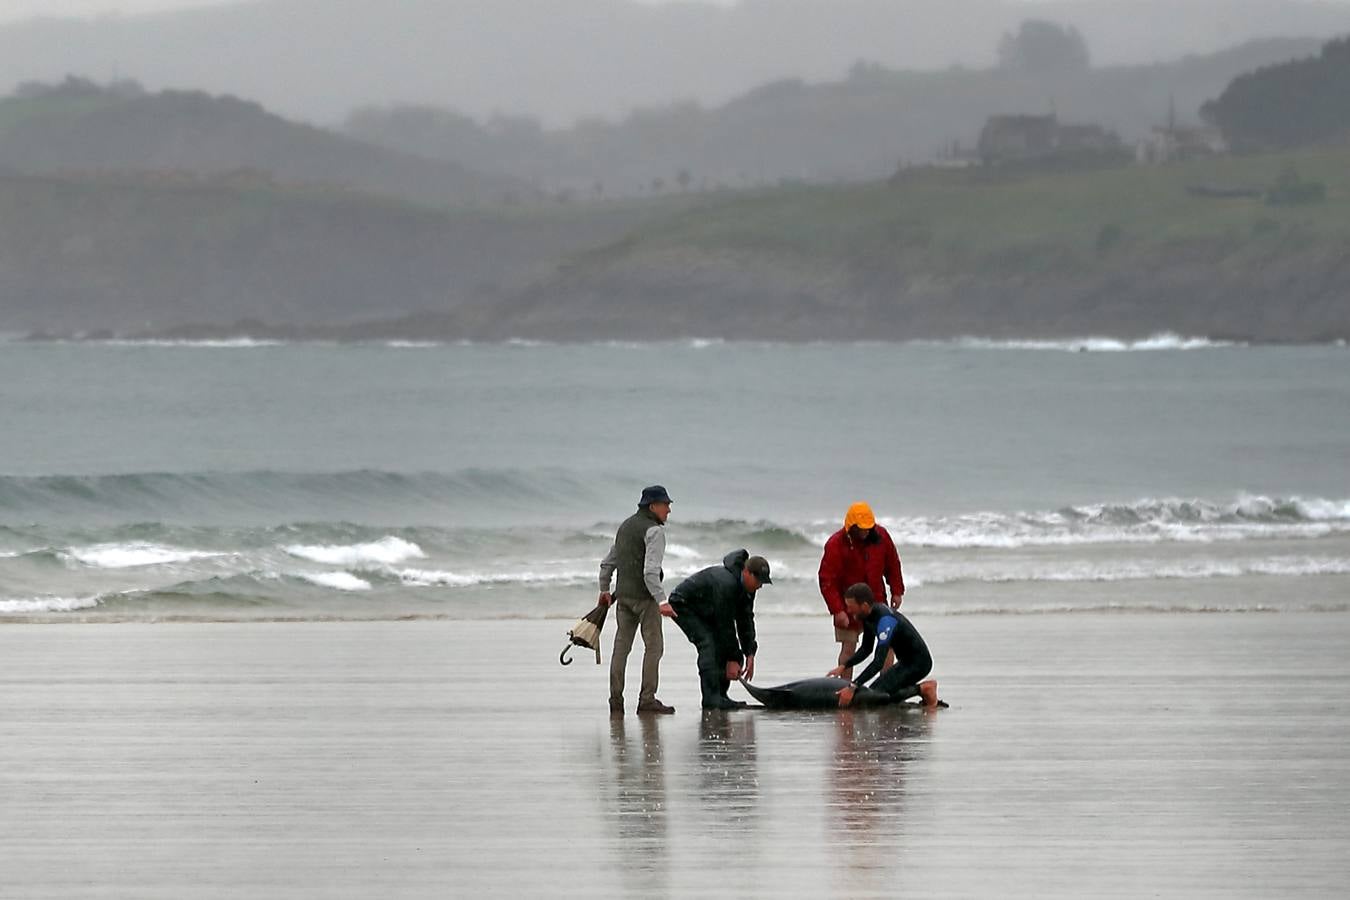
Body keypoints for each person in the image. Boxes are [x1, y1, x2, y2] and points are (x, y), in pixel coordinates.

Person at [599, 485, 677, 715]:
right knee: (654, 647)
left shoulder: (625, 527)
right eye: (666, 505)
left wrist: (605, 589)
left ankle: (615, 700)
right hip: (645, 599)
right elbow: (650, 572)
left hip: (623, 598)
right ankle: (647, 699)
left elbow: (607, 564)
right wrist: (662, 601)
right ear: (653, 507)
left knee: (621, 648)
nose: (669, 510)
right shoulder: (654, 531)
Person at [668, 549, 771, 710]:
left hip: (708, 610)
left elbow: (745, 620)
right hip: (683, 604)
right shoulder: (727, 584)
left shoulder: (748, 590)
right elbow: (725, 626)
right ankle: (711, 698)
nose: (760, 586)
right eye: (758, 581)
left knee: (721, 644)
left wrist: (749, 652)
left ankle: (721, 696)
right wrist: (733, 658)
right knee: (708, 643)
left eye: (762, 583)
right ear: (746, 572)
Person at [818, 501, 905, 679]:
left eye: (868, 527)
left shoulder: (881, 536)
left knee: (887, 646)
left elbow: (893, 564)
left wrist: (897, 590)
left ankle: (886, 685)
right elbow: (827, 580)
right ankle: (844, 687)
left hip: (877, 601)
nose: (866, 531)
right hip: (848, 606)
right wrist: (837, 610)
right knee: (848, 648)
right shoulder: (835, 544)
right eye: (861, 528)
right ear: (851, 527)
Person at [828, 583, 938, 708]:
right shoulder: (867, 616)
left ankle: (924, 688)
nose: (848, 610)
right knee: (874, 691)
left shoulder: (885, 621)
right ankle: (917, 691)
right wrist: (844, 666)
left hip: (919, 664)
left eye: (851, 607)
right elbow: (866, 649)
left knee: (877, 697)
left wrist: (852, 686)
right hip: (905, 663)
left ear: (864, 606)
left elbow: (878, 662)